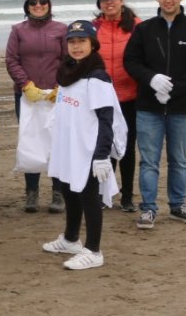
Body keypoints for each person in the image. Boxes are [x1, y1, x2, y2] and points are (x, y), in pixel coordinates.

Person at [123, 0, 186, 229]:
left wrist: (173, 89)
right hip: (148, 107)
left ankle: (178, 206)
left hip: (182, 106)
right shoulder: (144, 29)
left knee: (178, 159)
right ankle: (148, 209)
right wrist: (151, 79)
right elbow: (131, 61)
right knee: (149, 160)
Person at [43, 20, 125, 270]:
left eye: (82, 41)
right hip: (68, 147)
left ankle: (93, 250)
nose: (76, 47)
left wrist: (101, 156)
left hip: (88, 150)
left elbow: (105, 120)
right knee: (69, 190)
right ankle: (70, 239)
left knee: (89, 196)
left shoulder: (97, 77)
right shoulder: (68, 72)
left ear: (93, 44)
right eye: (72, 41)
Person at [5, 0, 67, 213]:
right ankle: (31, 192)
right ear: (27, 6)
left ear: (49, 4)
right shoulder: (18, 31)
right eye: (33, 2)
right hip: (27, 95)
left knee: (56, 141)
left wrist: (61, 85)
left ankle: (58, 192)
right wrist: (25, 83)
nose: (38, 5)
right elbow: (11, 59)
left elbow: (69, 59)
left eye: (43, 2)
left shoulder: (61, 29)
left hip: (55, 95)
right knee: (31, 140)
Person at [93, 0, 142, 213]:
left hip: (131, 95)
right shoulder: (93, 28)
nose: (108, 2)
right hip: (103, 96)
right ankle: (106, 195)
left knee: (127, 147)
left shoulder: (137, 26)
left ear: (121, 0)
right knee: (105, 145)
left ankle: (128, 197)